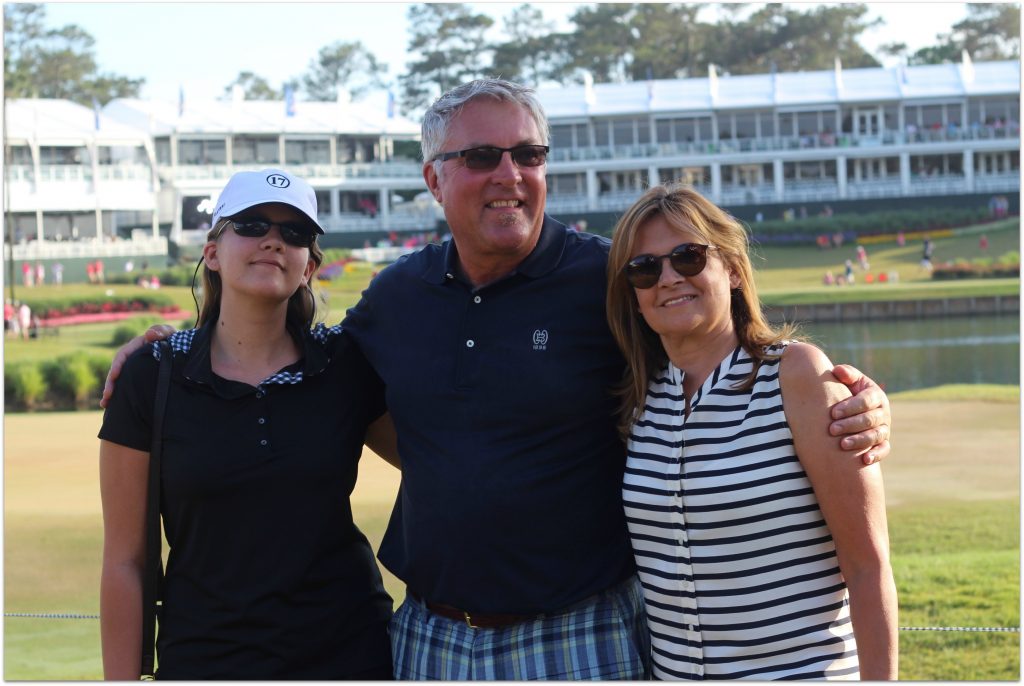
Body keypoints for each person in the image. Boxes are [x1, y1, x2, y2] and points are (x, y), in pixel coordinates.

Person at [104, 79, 892, 681]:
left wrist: (852, 395)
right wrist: (167, 348)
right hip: (433, 637)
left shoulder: (606, 279)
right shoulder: (397, 297)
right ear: (435, 178)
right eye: (481, 157)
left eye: (527, 155)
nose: (508, 174)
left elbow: (713, 327)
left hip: (582, 631)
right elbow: (298, 356)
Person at [98, 168, 394, 680]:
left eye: (294, 233)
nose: (274, 240)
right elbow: (125, 559)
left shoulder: (347, 365)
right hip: (205, 661)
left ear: (309, 266)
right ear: (212, 252)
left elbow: (436, 465)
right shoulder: (152, 374)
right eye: (252, 225)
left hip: (348, 656)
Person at [607, 184, 898, 679]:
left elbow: (868, 569)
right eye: (645, 269)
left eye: (689, 257)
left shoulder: (796, 376)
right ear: (634, 297)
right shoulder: (639, 401)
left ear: (735, 270)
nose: (669, 277)